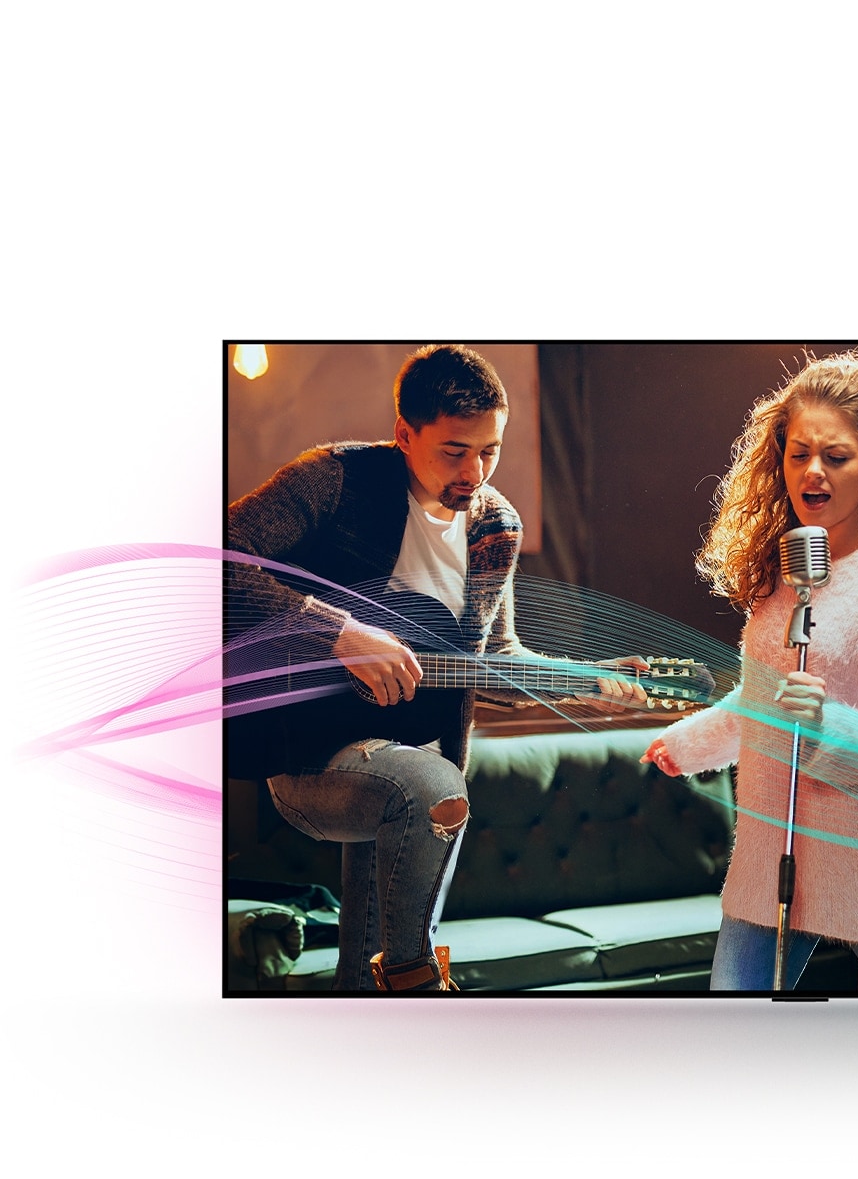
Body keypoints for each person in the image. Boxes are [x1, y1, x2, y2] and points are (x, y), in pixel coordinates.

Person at [227, 344, 644, 992]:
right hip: (312, 760)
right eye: (454, 450)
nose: (474, 472)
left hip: (422, 766)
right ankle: (419, 985)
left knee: (362, 975)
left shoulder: (494, 525)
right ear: (403, 435)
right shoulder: (331, 480)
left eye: (491, 450)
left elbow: (493, 660)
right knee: (432, 789)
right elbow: (218, 564)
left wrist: (585, 682)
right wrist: (338, 633)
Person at [642, 350, 858, 991]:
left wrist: (828, 728)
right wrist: (689, 742)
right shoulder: (783, 579)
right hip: (771, 858)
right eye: (798, 454)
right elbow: (764, 701)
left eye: (836, 456)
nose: (812, 471)